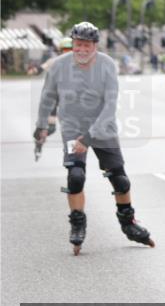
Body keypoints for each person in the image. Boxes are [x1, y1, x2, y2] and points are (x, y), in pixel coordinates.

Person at [34, 22, 156, 255]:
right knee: (76, 176)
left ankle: (128, 224)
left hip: (103, 128)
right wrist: (40, 126)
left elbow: (110, 105)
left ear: (95, 46)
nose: (82, 50)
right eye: (78, 44)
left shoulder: (107, 65)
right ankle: (78, 225)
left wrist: (88, 137)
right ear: (73, 43)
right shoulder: (58, 66)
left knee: (120, 180)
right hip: (72, 129)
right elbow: (47, 97)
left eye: (86, 45)